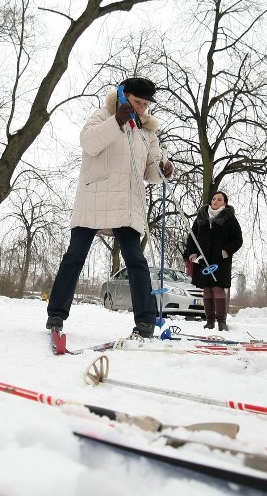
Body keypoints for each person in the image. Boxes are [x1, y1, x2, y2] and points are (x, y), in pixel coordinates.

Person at [45, 78, 174, 338]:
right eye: (138, 102)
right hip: (95, 196)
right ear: (123, 95)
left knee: (136, 260)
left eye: (146, 104)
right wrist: (116, 121)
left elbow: (150, 170)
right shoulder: (103, 115)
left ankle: (146, 320)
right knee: (75, 256)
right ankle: (56, 314)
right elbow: (88, 142)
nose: (142, 108)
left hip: (127, 201)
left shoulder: (147, 130)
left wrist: (164, 170)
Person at [184, 191, 243, 331]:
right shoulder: (201, 218)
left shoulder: (229, 219)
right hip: (203, 260)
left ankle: (221, 322)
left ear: (225, 203)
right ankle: (209, 321)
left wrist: (226, 251)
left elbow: (238, 239)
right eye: (214, 198)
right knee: (207, 288)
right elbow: (192, 237)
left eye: (219, 199)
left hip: (220, 260)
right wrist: (192, 253)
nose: (215, 201)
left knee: (218, 288)